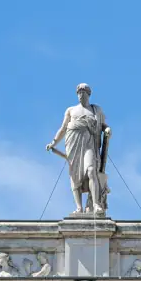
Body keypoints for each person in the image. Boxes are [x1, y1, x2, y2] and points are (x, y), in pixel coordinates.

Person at [46, 83, 110, 216]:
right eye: (79, 93)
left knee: (91, 170)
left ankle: (96, 204)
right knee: (75, 176)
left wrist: (107, 129)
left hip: (89, 143)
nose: (80, 95)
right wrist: (53, 142)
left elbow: (103, 125)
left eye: (83, 92)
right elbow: (63, 128)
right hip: (73, 143)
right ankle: (79, 207)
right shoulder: (70, 110)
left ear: (88, 94)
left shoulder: (96, 110)